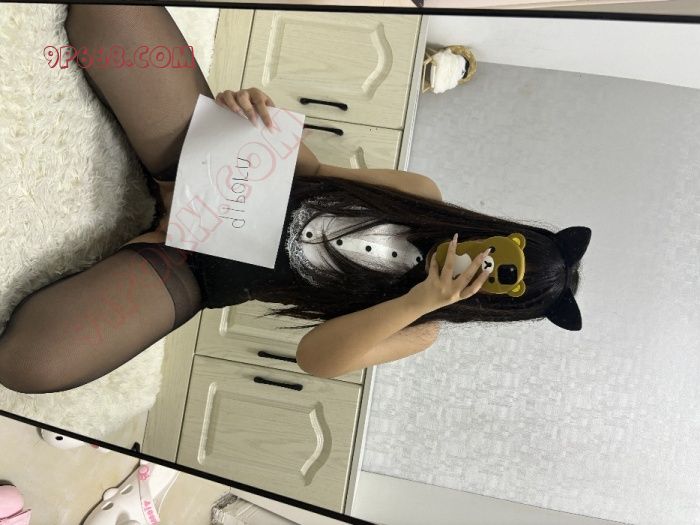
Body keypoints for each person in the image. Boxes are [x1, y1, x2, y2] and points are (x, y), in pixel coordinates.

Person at [0, 5, 590, 394]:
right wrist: (261, 118)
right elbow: (317, 173)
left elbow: (316, 357)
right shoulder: (421, 195)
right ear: (499, 231)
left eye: (497, 280)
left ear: (494, 305)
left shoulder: (420, 329)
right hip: (215, 167)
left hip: (196, 267)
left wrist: (420, 300)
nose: (481, 265)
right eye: (500, 252)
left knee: (28, 366)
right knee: (112, 12)